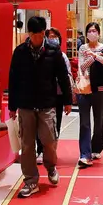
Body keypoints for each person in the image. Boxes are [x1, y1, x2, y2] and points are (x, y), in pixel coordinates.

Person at [8, 16, 72, 199]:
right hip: (26, 104)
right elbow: (13, 79)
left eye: (40, 34)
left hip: (47, 104)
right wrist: (12, 106)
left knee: (49, 140)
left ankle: (51, 167)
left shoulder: (53, 51)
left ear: (44, 33)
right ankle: (30, 180)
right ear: (29, 34)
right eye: (33, 34)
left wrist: (67, 100)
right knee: (27, 144)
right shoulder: (20, 52)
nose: (36, 38)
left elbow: (63, 77)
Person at [76, 22, 103, 168]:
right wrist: (93, 57)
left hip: (100, 89)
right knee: (84, 123)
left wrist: (95, 55)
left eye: (94, 31)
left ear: (99, 33)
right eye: (90, 31)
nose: (92, 33)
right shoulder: (82, 48)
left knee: (99, 121)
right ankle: (84, 154)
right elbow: (82, 67)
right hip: (85, 89)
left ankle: (97, 147)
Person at [36, 28, 73, 164]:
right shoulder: (41, 54)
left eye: (55, 36)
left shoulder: (62, 56)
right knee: (41, 124)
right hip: (44, 95)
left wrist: (68, 99)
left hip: (58, 95)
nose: (52, 39)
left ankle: (51, 150)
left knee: (55, 123)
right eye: (50, 36)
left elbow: (67, 77)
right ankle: (40, 150)